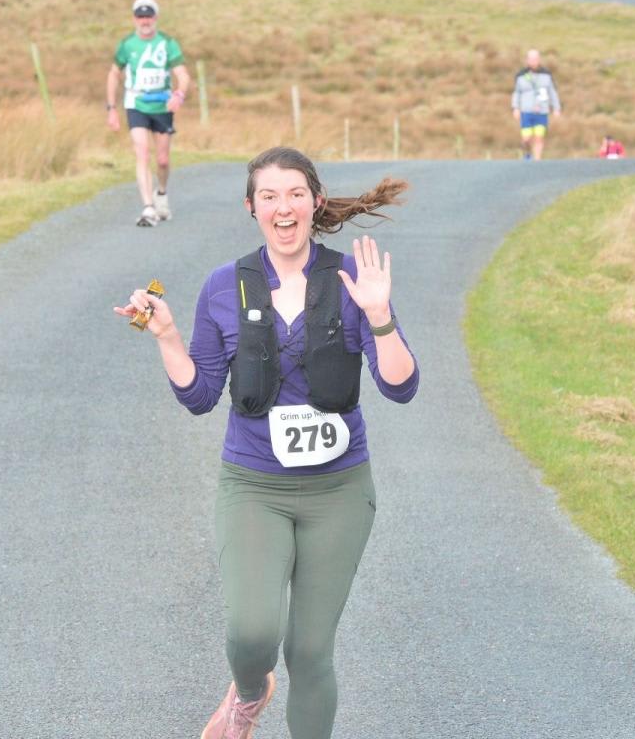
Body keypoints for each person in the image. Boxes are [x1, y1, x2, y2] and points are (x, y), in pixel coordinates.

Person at [114, 147, 419, 739]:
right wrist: (168, 336)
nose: (284, 208)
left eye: (296, 194)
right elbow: (201, 395)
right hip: (254, 486)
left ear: (316, 203)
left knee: (309, 652)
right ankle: (250, 693)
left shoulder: (352, 282)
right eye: (270, 197)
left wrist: (379, 317)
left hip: (339, 491)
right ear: (251, 208)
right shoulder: (224, 287)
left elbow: (401, 387)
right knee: (252, 635)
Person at [107, 0, 192, 227]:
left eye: (149, 16)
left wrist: (179, 94)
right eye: (140, 16)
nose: (145, 21)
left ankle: (161, 194)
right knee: (142, 153)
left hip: (162, 106)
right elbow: (114, 73)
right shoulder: (127, 45)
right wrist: (112, 108)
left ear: (155, 18)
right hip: (136, 104)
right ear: (135, 19)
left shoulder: (167, 43)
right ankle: (147, 207)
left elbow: (183, 75)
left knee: (162, 159)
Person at [510, 48, 561, 160]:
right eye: (531, 59)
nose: (533, 61)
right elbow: (516, 92)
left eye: (535, 59)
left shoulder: (546, 75)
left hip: (541, 111)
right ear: (527, 60)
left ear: (539, 60)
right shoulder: (521, 76)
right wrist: (515, 108)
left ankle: (537, 161)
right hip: (526, 111)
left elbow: (552, 92)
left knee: (539, 137)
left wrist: (556, 108)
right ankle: (527, 153)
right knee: (526, 138)